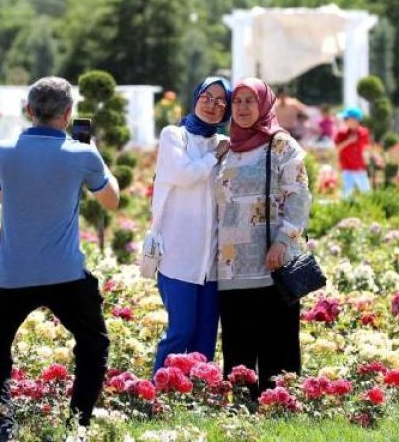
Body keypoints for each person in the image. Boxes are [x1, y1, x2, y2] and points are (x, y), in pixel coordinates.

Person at [0, 77, 118, 441]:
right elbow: (111, 201)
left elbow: (3, 197)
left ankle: (3, 424)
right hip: (65, 274)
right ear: (69, 114)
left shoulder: (2, 151)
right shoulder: (82, 154)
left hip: (12, 273)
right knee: (93, 343)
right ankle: (77, 424)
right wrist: (94, 154)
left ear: (29, 110)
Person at [215, 78, 311, 396]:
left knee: (277, 342)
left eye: (250, 101)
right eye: (237, 101)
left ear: (264, 104)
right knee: (237, 345)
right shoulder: (225, 150)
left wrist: (283, 240)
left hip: (272, 261)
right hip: (231, 267)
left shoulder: (282, 146)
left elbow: (298, 197)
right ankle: (243, 404)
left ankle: (279, 403)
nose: (242, 108)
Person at [150, 76, 231, 371]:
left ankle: (199, 392)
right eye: (207, 97)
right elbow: (183, 174)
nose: (212, 105)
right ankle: (158, 389)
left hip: (211, 261)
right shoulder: (174, 135)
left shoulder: (224, 143)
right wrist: (213, 157)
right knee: (180, 331)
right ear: (196, 97)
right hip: (178, 256)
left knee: (205, 338)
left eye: (220, 101)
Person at [334, 107, 372, 198]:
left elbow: (367, 148)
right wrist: (348, 141)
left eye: (346, 118)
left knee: (367, 193)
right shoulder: (341, 133)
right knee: (347, 194)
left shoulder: (364, 133)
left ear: (355, 120)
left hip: (360, 168)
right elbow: (337, 149)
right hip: (347, 168)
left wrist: (370, 159)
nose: (344, 120)